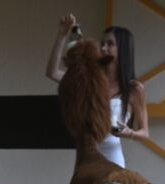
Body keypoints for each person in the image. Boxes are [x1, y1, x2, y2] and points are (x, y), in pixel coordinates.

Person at [45, 15, 149, 167]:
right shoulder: (89, 80)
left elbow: (145, 133)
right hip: (86, 153)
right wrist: (62, 35)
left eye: (110, 44)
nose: (103, 48)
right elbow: (52, 72)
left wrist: (129, 133)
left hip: (113, 156)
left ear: (123, 49)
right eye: (102, 43)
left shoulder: (134, 89)